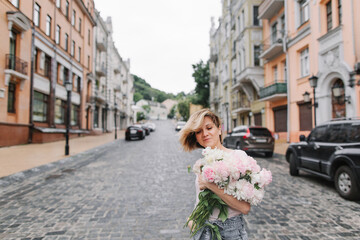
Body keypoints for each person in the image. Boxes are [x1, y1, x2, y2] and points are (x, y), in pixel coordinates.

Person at [179, 108, 250, 240]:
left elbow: (245, 208)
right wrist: (191, 221)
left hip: (230, 233)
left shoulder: (238, 157)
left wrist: (210, 185)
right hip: (202, 231)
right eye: (199, 131)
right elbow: (200, 200)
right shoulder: (201, 163)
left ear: (219, 129)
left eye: (209, 128)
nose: (204, 134)